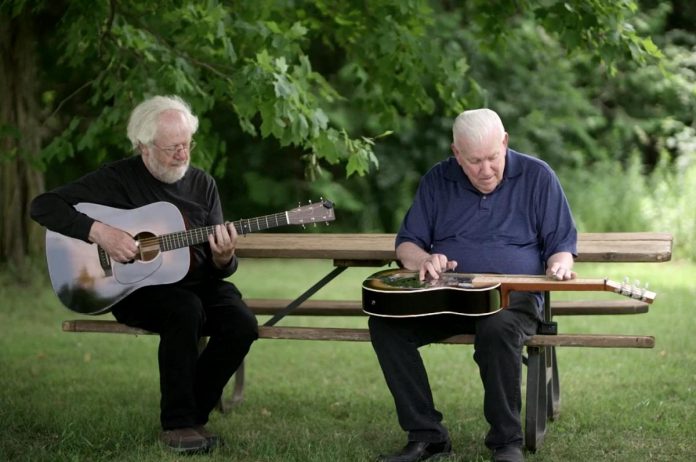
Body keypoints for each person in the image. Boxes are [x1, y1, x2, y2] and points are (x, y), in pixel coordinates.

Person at [30, 95, 259, 454]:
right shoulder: (117, 179)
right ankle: (178, 426)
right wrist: (101, 233)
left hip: (200, 283)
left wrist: (224, 257)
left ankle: (191, 414)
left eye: (187, 145)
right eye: (172, 149)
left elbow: (222, 263)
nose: (183, 155)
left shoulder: (203, 184)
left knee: (242, 323)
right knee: (184, 309)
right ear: (144, 147)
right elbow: (44, 206)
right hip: (135, 288)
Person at [368, 108, 577, 462]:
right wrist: (423, 261)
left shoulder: (538, 177)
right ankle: (427, 436)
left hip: (511, 300)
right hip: (448, 297)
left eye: (493, 158)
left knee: (496, 328)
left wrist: (559, 265)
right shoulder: (438, 180)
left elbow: (562, 246)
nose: (486, 170)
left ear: (505, 143)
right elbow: (407, 244)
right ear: (456, 154)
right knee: (386, 325)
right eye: (474, 161)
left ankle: (506, 443)